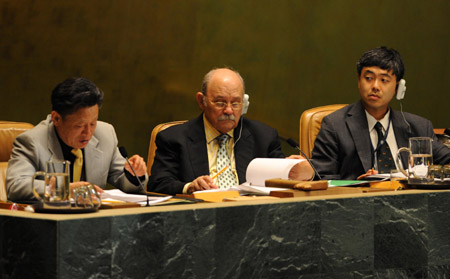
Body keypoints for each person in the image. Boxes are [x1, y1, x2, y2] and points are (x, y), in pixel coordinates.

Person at [148, 67, 314, 194]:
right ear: (201, 100)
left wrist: (296, 170)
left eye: (235, 103)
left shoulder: (263, 136)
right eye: (220, 103)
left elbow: (280, 182)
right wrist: (189, 186)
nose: (229, 111)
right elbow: (158, 183)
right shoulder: (174, 138)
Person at [311, 46, 450, 180]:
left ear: (398, 87)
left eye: (384, 80)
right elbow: (323, 178)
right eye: (369, 78)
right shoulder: (335, 125)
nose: (375, 86)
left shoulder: (419, 127)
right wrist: (360, 185)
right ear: (359, 81)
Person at [7, 77, 148, 202]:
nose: (88, 132)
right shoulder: (31, 142)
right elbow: (16, 186)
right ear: (56, 118)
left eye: (93, 123)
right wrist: (64, 189)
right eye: (79, 125)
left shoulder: (105, 134)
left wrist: (134, 174)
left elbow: (124, 180)